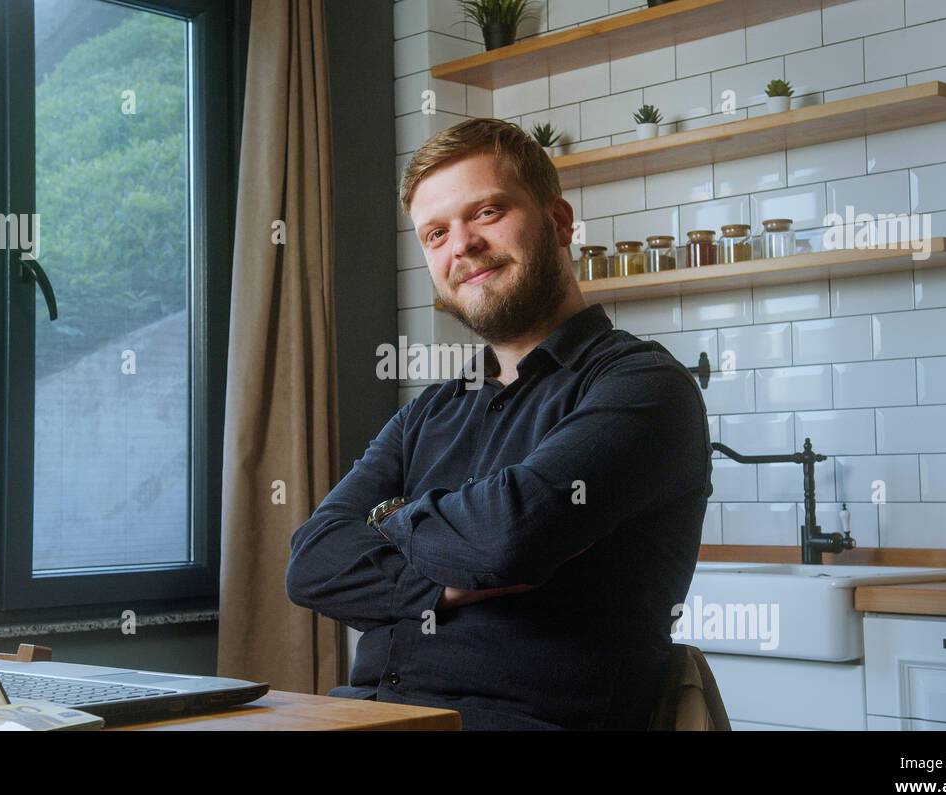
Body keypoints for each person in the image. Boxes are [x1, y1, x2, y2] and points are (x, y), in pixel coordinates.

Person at [286, 117, 712, 730]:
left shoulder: (645, 386)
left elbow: (508, 537)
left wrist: (388, 517)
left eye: (486, 212)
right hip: (366, 717)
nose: (461, 245)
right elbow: (311, 563)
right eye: (436, 233)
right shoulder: (428, 412)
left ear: (559, 222)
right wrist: (442, 578)